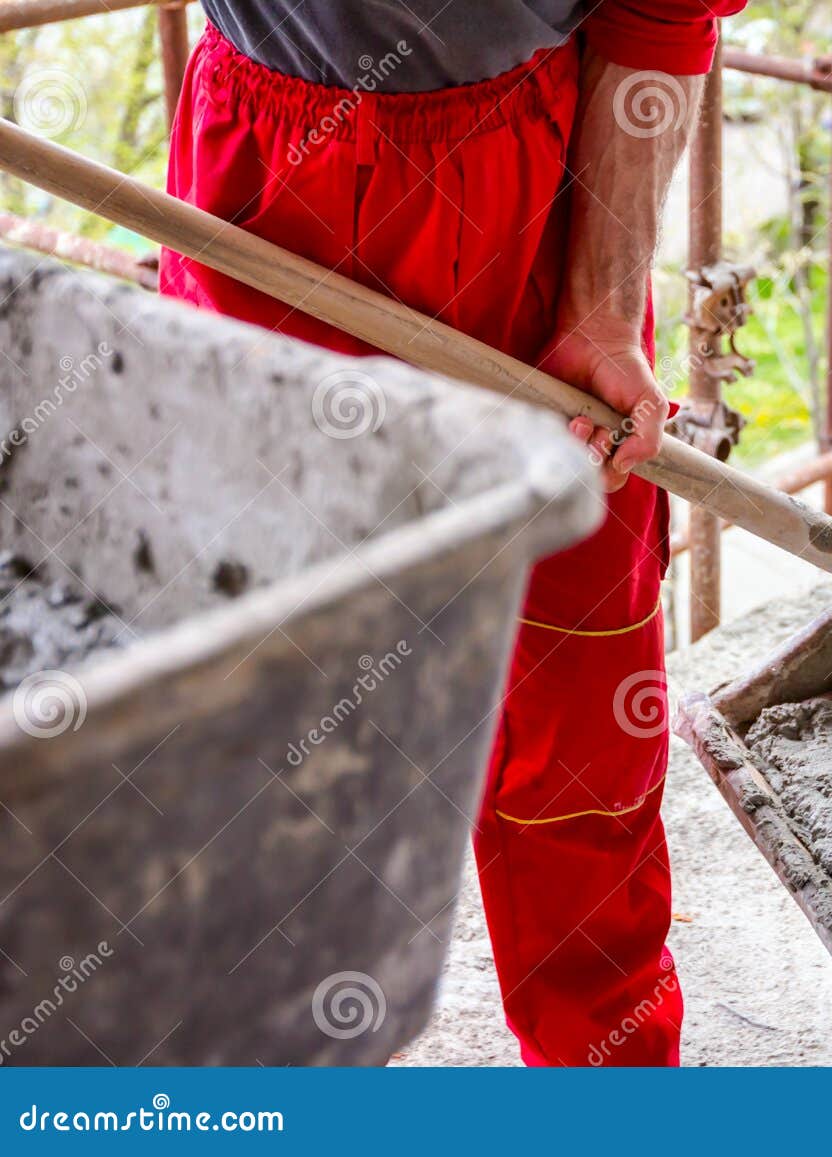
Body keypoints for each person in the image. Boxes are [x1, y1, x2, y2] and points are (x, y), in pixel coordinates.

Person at [161, 1, 745, 1066]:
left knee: (578, 711)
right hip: (268, 190)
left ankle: (606, 1080)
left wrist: (604, 307)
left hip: (543, 187)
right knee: (275, 710)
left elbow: (662, 8)